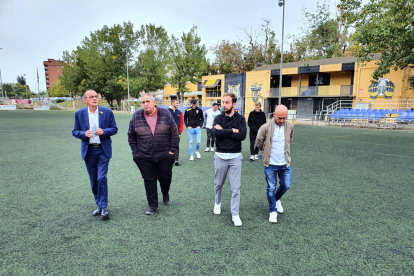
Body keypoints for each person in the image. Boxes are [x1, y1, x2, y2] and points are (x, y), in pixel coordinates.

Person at [128, 93, 178, 215]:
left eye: (147, 101)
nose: (145, 104)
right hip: (144, 156)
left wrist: (172, 151)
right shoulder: (136, 116)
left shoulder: (165, 114)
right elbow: (131, 136)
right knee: (149, 180)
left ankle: (165, 192)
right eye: (143, 102)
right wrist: (136, 153)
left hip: (165, 155)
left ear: (154, 102)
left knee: (165, 177)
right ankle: (152, 205)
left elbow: (174, 132)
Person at [72, 89, 118, 219]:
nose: (94, 98)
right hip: (89, 151)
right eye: (91, 97)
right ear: (85, 100)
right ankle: (99, 205)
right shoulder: (79, 114)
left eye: (96, 96)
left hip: (103, 150)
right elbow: (75, 131)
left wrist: (104, 131)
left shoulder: (107, 112)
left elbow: (114, 129)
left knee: (101, 178)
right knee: (93, 180)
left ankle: (103, 207)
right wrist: (83, 134)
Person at [212, 93, 247, 227]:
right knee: (218, 183)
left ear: (233, 104)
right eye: (223, 102)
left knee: (235, 188)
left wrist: (225, 131)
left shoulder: (241, 119)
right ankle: (218, 203)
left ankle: (235, 213)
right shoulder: (218, 118)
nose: (223, 105)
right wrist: (233, 130)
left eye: (227, 102)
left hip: (235, 156)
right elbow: (216, 134)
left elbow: (242, 135)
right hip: (220, 155)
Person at [256, 105, 294, 224]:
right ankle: (273, 211)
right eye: (280, 118)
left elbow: (290, 140)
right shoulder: (265, 127)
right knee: (271, 188)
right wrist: (266, 151)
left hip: (284, 163)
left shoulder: (290, 126)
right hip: (270, 164)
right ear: (274, 115)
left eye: (284, 118)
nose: (282, 121)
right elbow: (259, 142)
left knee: (286, 185)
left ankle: (277, 200)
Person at [168, 99, 184, 166]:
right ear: (173, 103)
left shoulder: (179, 112)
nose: (178, 105)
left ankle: (176, 160)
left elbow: (181, 123)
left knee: (176, 146)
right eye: (177, 103)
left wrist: (180, 131)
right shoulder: (166, 111)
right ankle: (168, 159)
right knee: (167, 146)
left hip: (177, 133)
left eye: (178, 103)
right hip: (168, 133)